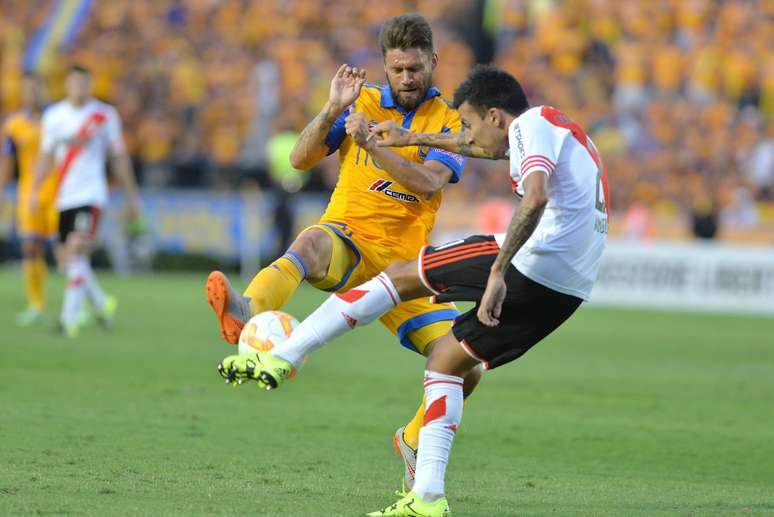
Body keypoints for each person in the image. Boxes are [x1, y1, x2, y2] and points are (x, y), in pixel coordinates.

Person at [217, 64, 610, 517]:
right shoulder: (558, 131)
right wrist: (412, 139)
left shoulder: (531, 123)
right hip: (570, 285)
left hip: (534, 256)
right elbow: (476, 148)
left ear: (497, 116)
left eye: (468, 122)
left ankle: (284, 355)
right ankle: (426, 499)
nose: (466, 134)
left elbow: (536, 196)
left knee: (399, 278)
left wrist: (499, 270)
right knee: (448, 361)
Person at [205, 13, 476, 493]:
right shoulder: (361, 102)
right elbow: (300, 159)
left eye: (415, 68)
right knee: (310, 241)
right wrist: (332, 109)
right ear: (384, 66)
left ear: (433, 61)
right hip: (348, 239)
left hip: (406, 268)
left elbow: (429, 181)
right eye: (397, 69)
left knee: (467, 364)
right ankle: (249, 311)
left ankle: (413, 439)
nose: (407, 78)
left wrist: (373, 145)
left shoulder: (451, 121)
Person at [30, 64, 140, 338]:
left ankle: (68, 322)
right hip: (63, 195)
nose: (80, 89)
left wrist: (131, 195)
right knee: (65, 260)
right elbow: (45, 156)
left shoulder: (104, 115)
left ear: (90, 86)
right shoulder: (54, 116)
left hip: (91, 194)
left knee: (77, 250)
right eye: (75, 84)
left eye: (84, 84)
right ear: (66, 86)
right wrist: (34, 190)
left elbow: (118, 157)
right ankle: (102, 304)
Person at [0, 74, 58, 326]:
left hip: (57, 191)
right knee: (30, 247)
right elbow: (8, 162)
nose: (31, 94)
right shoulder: (14, 125)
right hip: (28, 193)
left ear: (43, 90)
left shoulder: (55, 120)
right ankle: (36, 304)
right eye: (27, 90)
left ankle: (81, 302)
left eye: (36, 89)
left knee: (66, 249)